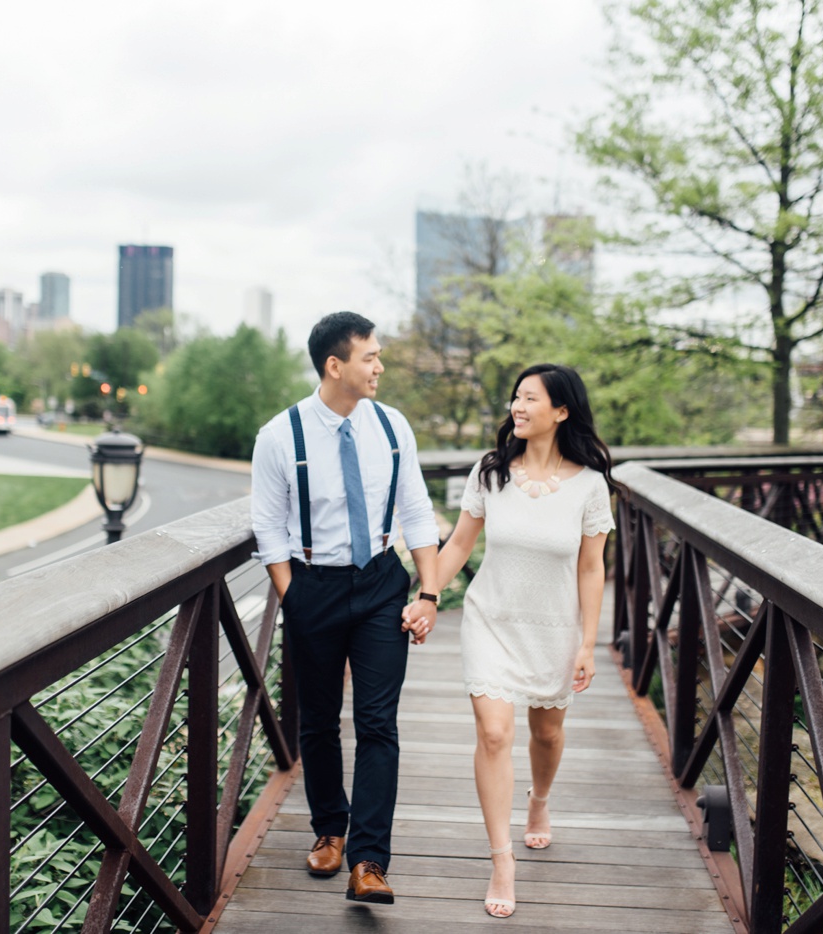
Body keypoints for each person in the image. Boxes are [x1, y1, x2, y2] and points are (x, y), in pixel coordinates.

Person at [402, 363, 627, 918]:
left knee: (546, 734)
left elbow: (591, 569)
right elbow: (457, 546)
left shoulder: (590, 486)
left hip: (554, 628)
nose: (517, 407)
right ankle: (502, 859)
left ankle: (539, 803)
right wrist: (427, 594)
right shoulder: (491, 472)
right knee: (495, 733)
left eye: (530, 398)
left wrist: (586, 643)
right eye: (515, 398)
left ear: (562, 411)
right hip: (491, 620)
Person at [252, 311, 441, 905]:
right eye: (370, 357)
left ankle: (369, 860)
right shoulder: (280, 436)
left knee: (378, 723)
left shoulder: (393, 427)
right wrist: (295, 597)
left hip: (382, 581)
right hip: (314, 584)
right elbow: (268, 528)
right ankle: (329, 829)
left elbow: (416, 512)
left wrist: (429, 593)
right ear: (335, 366)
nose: (380, 366)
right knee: (318, 720)